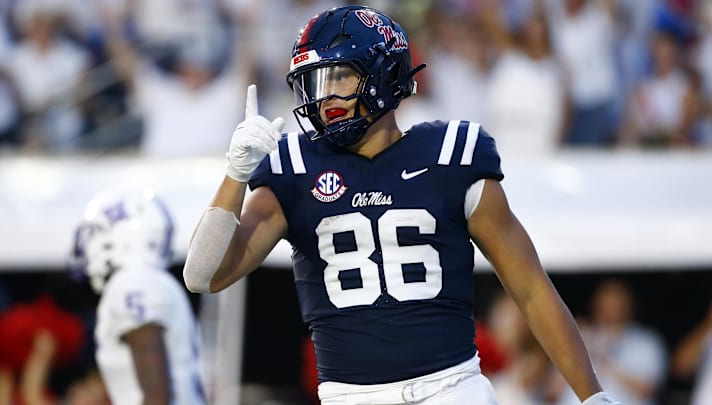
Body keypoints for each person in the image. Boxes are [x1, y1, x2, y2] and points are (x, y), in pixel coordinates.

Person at [183, 5, 619, 405]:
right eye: (315, 82)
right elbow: (204, 274)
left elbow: (530, 288)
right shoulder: (295, 166)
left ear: (383, 73)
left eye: (339, 77)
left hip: (452, 388)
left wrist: (590, 396)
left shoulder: (452, 154)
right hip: (349, 397)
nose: (325, 97)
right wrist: (235, 176)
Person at [70, 190, 206, 404]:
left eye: (98, 232)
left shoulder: (131, 283)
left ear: (124, 236)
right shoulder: (153, 280)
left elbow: (156, 395)